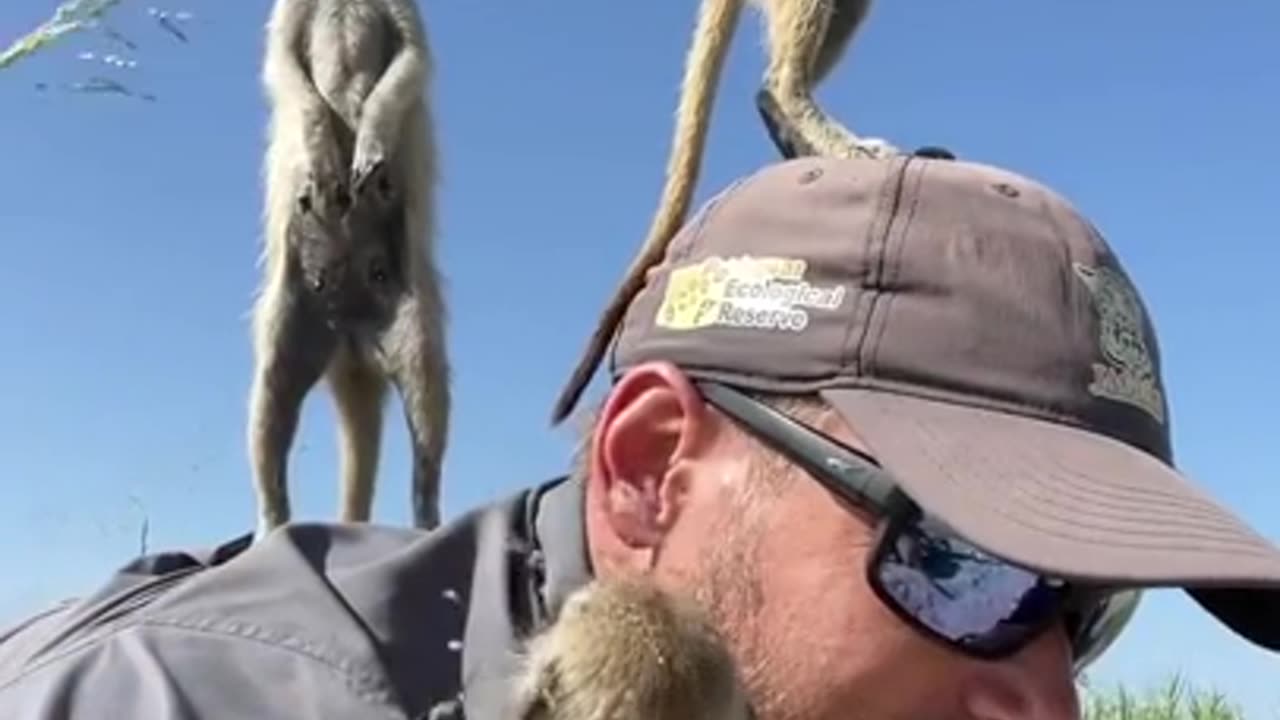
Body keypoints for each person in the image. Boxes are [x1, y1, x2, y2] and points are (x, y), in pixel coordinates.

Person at [2, 152, 1278, 720]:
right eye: (962, 566)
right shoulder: (181, 704)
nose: (1047, 706)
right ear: (650, 472)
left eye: (1085, 608)